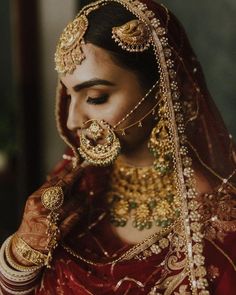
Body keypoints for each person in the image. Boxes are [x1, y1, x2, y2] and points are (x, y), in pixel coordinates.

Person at [1, 0, 236, 294]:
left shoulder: (219, 221)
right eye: (69, 96)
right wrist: (20, 257)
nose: (73, 121)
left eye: (96, 97)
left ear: (163, 93)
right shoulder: (74, 193)